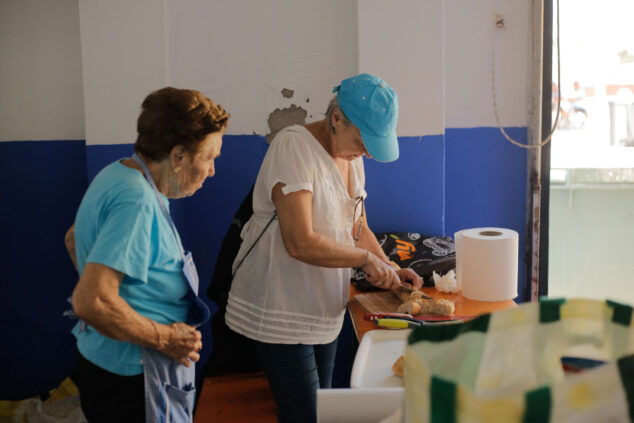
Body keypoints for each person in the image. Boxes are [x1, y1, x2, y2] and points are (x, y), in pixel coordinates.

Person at [225, 73, 422, 422]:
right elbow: (299, 242)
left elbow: (357, 228)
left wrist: (388, 266)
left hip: (324, 309)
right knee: (305, 415)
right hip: (282, 310)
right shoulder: (293, 147)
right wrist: (364, 261)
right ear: (336, 119)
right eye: (364, 140)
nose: (368, 152)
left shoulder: (353, 159)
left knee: (322, 408)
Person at [65, 87, 229, 422]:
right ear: (179, 156)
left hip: (105, 360)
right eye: (209, 157)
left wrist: (118, 299)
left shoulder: (121, 172)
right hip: (131, 377)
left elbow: (73, 238)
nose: (212, 171)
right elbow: (89, 303)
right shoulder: (137, 200)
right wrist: (165, 337)